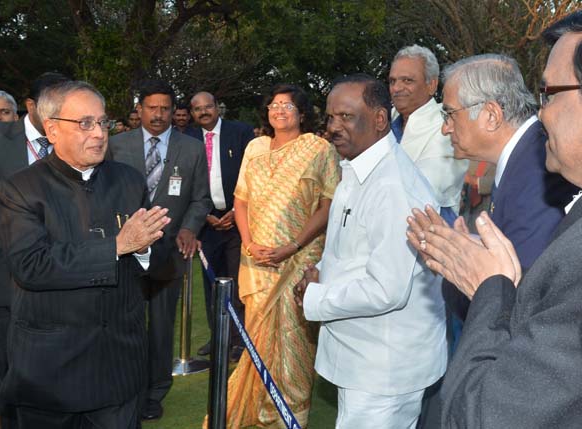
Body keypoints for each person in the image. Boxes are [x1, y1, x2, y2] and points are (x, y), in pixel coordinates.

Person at [406, 10, 582, 427]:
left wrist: (483, 282)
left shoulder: (539, 178)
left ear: (488, 114)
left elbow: (493, 407)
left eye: (550, 94)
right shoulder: (524, 169)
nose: (542, 115)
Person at [0, 80, 171, 428]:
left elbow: (159, 257)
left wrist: (147, 246)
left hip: (119, 369)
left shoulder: (129, 180)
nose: (99, 133)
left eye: (102, 122)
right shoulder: (20, 189)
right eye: (85, 123)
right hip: (50, 375)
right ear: (53, 129)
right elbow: (32, 266)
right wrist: (118, 246)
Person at [293, 74, 446, 428]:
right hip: (365, 357)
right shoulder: (358, 168)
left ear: (379, 120)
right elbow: (354, 252)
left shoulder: (392, 186)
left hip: (384, 366)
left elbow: (386, 290)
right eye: (330, 117)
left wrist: (315, 297)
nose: (333, 127)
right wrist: (320, 272)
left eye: (346, 117)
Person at [220, 84, 340, 428]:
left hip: (299, 260)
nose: (279, 110)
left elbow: (328, 203)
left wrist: (293, 246)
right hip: (256, 260)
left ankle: (289, 417)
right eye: (274, 105)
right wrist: (247, 243)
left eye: (288, 106)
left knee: (294, 342)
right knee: (257, 337)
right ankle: (252, 410)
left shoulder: (319, 149)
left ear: (302, 114)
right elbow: (240, 199)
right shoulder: (256, 147)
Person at [109, 79, 211, 421]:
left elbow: (201, 198)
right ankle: (127, 387)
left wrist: (189, 227)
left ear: (173, 111)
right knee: (124, 320)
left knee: (162, 323)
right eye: (152, 107)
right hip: (126, 252)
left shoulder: (192, 148)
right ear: (140, 109)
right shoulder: (116, 145)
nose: (159, 114)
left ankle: (155, 391)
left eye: (165, 108)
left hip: (168, 252)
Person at [0, 72, 69, 429]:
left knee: (60, 371)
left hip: (64, 278)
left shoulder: (75, 138)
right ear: (31, 105)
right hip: (1, 278)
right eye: (51, 104)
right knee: (5, 374)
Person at [186, 91, 254, 361]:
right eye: (197, 109)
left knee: (237, 284)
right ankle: (218, 338)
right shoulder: (187, 140)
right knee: (212, 284)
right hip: (205, 223)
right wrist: (203, 216)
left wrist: (236, 212)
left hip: (238, 221)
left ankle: (239, 340)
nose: (204, 112)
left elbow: (252, 174)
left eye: (208, 107)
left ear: (218, 107)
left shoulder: (241, 132)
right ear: (192, 113)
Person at [389, 45, 468, 221]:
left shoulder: (447, 124)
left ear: (431, 85)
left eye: (407, 81)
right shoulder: (387, 121)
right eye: (392, 81)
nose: (396, 88)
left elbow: (425, 189)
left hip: (433, 227)